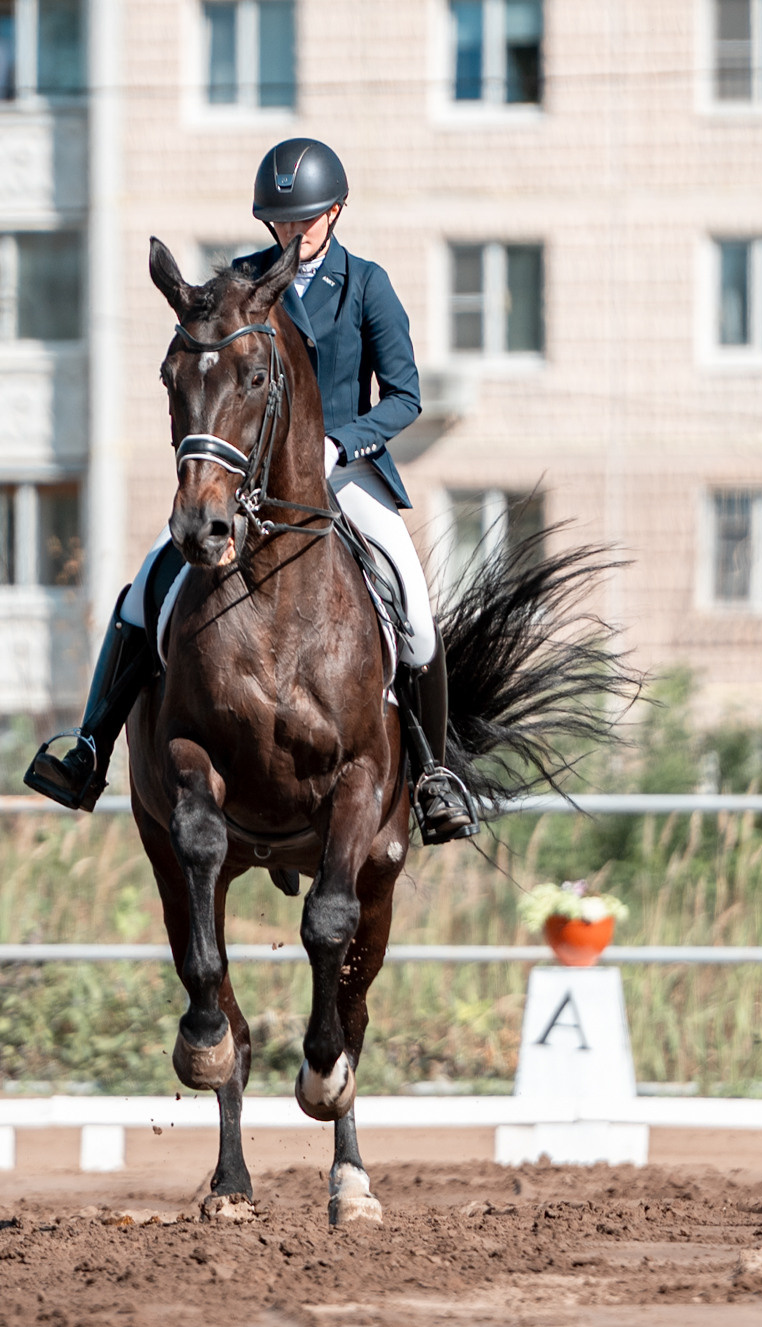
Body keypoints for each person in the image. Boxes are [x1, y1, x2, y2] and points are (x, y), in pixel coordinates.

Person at [24, 137, 477, 845]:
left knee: (414, 610)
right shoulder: (242, 284)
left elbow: (405, 397)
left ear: (335, 212)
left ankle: (433, 774)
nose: (292, 232)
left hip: (341, 471)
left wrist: (341, 443)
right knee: (144, 588)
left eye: (306, 220)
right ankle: (88, 749)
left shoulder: (366, 286)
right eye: (281, 221)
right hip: (243, 478)